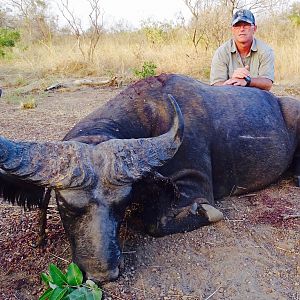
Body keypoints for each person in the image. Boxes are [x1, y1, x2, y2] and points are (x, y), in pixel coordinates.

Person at [210, 9, 274, 91]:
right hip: (230, 97)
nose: (242, 29)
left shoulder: (266, 51)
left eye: (246, 25)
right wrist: (233, 81)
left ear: (254, 28)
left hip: (257, 98)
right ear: (232, 30)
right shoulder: (221, 52)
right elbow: (215, 85)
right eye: (237, 26)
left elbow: (267, 84)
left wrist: (247, 80)